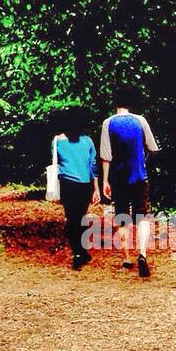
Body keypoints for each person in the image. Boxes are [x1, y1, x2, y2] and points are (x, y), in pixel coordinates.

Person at [99, 88, 160, 278]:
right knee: (143, 217)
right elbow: (152, 147)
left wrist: (105, 181)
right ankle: (142, 253)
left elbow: (106, 156)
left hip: (119, 178)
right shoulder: (140, 121)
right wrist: (143, 160)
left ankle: (126, 256)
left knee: (122, 216)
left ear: (114, 103)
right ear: (130, 103)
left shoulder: (108, 123)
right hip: (139, 176)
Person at [52, 115, 100, 269]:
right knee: (80, 217)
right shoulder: (87, 141)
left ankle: (79, 252)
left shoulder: (57, 141)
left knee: (71, 218)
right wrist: (96, 188)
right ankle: (80, 251)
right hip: (84, 185)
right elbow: (93, 166)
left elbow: (55, 160)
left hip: (66, 184)